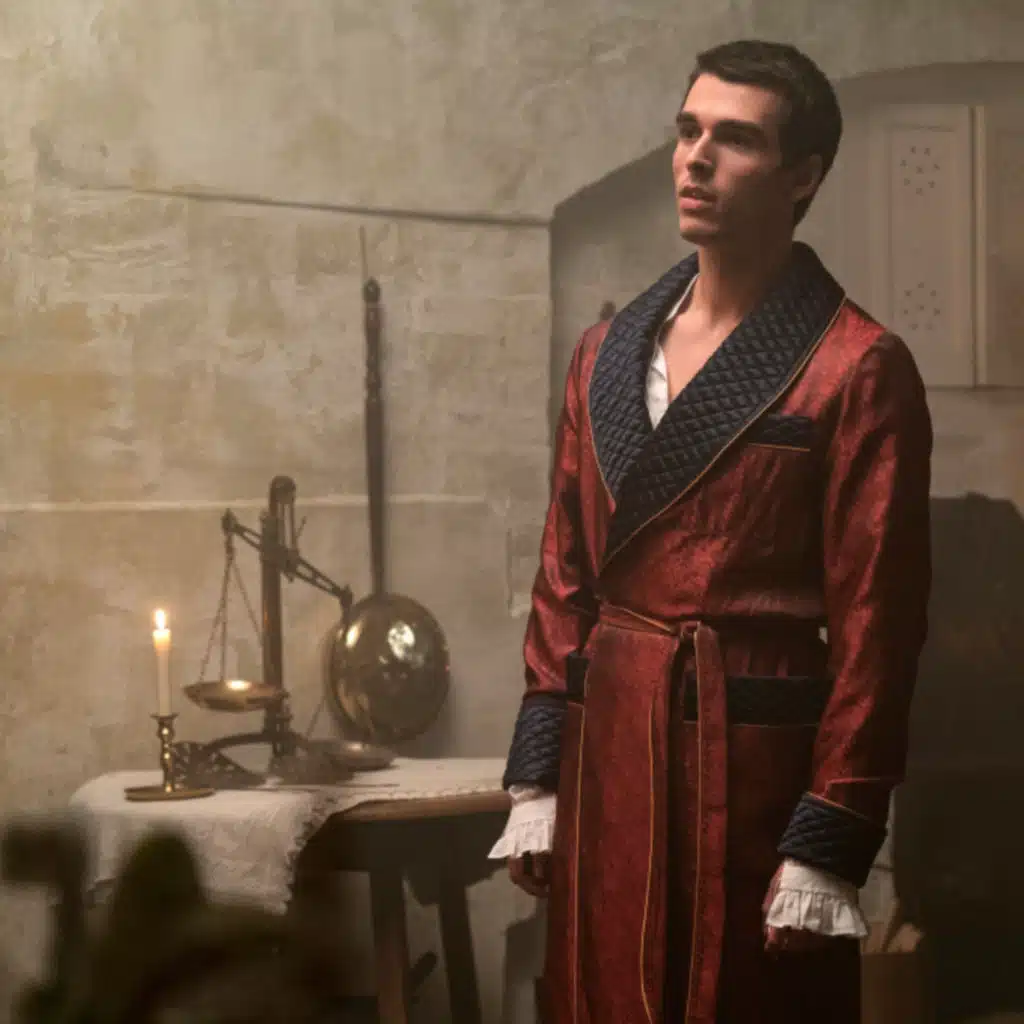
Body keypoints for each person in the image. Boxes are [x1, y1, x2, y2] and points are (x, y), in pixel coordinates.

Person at [489, 38, 933, 1024]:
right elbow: (565, 571)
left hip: (750, 770)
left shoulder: (857, 367)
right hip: (610, 755)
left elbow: (880, 629)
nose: (695, 159)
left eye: (734, 140)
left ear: (802, 175)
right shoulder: (605, 355)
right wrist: (539, 777)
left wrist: (829, 836)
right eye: (687, 130)